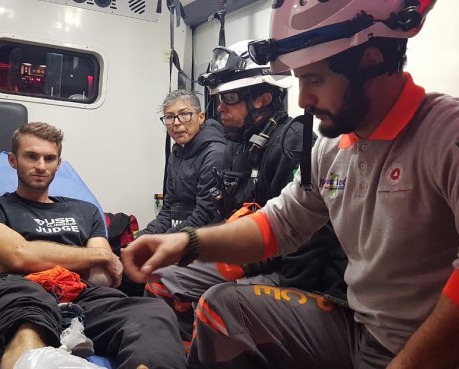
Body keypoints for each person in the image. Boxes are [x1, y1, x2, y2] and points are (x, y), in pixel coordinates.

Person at [122, 1, 459, 368]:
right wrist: (186, 245)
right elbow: (278, 224)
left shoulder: (458, 133)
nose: (303, 100)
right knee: (222, 306)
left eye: (314, 80)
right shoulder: (332, 149)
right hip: (365, 335)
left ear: (370, 61)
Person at [144, 40, 347, 353]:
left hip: (283, 268)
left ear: (263, 99)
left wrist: (283, 297)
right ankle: (175, 353)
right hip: (248, 253)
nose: (220, 109)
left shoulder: (292, 144)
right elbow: (225, 211)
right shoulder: (238, 146)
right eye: (219, 100)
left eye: (230, 99)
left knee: (214, 302)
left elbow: (308, 239)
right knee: (159, 277)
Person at [0, 122, 185, 369]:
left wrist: (31, 255)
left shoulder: (85, 211)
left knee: (152, 314)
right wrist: (85, 256)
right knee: (26, 326)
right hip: (18, 288)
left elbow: (105, 272)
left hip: (82, 292)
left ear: (58, 163)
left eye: (49, 158)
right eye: (31, 157)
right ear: (13, 160)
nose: (41, 166)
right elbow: (20, 255)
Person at [137, 89, 227, 236]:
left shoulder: (215, 154)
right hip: (181, 234)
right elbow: (168, 210)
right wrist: (145, 235)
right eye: (169, 117)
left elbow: (205, 215)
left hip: (206, 241)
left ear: (201, 117)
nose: (176, 123)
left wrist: (163, 240)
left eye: (185, 114)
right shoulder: (177, 153)